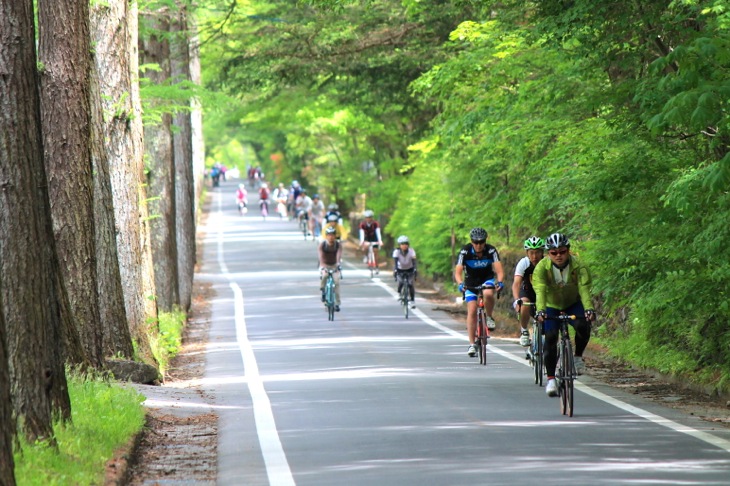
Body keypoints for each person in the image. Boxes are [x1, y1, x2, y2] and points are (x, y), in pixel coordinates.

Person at [533, 233, 596, 397]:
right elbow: (540, 290)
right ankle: (551, 379)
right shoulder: (541, 268)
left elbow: (584, 289)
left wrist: (589, 308)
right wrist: (541, 310)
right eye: (554, 253)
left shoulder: (579, 266)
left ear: (568, 251)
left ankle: (577, 357)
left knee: (583, 325)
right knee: (551, 337)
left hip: (573, 303)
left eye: (562, 252)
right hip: (551, 305)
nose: (558, 256)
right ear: (548, 254)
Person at [454, 227, 505, 357]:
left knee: (488, 294)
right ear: (471, 242)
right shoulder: (465, 251)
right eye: (475, 242)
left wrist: (499, 282)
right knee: (471, 310)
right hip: (470, 282)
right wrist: (460, 284)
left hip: (487, 278)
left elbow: (499, 269)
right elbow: (458, 271)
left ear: (485, 241)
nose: (478, 245)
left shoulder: (491, 250)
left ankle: (488, 316)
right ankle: (472, 344)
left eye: (481, 242)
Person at [511, 236, 546, 347]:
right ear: (527, 253)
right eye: (531, 253)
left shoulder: (547, 263)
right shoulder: (524, 263)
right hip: (528, 292)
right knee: (524, 303)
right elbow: (516, 283)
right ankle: (524, 330)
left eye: (537, 253)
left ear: (542, 252)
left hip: (544, 294)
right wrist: (517, 300)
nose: (534, 256)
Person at [318, 226, 343, 311]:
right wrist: (322, 267)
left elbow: (338, 255)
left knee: (336, 282)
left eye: (333, 235)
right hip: (324, 264)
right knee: (324, 276)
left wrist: (338, 264)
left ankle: (337, 303)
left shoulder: (338, 245)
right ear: (326, 236)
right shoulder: (322, 245)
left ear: (335, 236)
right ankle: (323, 291)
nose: (331, 237)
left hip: (334, 265)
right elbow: (321, 257)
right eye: (329, 235)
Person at [392, 235, 417, 309]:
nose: (404, 245)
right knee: (401, 282)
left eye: (406, 243)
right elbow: (395, 262)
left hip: (410, 269)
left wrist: (415, 269)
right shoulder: (396, 251)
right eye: (402, 244)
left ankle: (412, 301)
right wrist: (395, 270)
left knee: (410, 284)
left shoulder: (411, 251)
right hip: (400, 269)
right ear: (399, 245)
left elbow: (414, 261)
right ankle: (399, 293)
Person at [358, 210, 383, 274]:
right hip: (367, 238)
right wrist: (362, 241)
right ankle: (366, 256)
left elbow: (378, 232)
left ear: (372, 217)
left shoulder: (375, 223)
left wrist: (380, 241)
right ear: (365, 218)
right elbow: (362, 233)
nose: (368, 219)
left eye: (370, 217)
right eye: (367, 217)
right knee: (365, 247)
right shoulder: (362, 224)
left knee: (375, 252)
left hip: (374, 238)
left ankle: (377, 267)